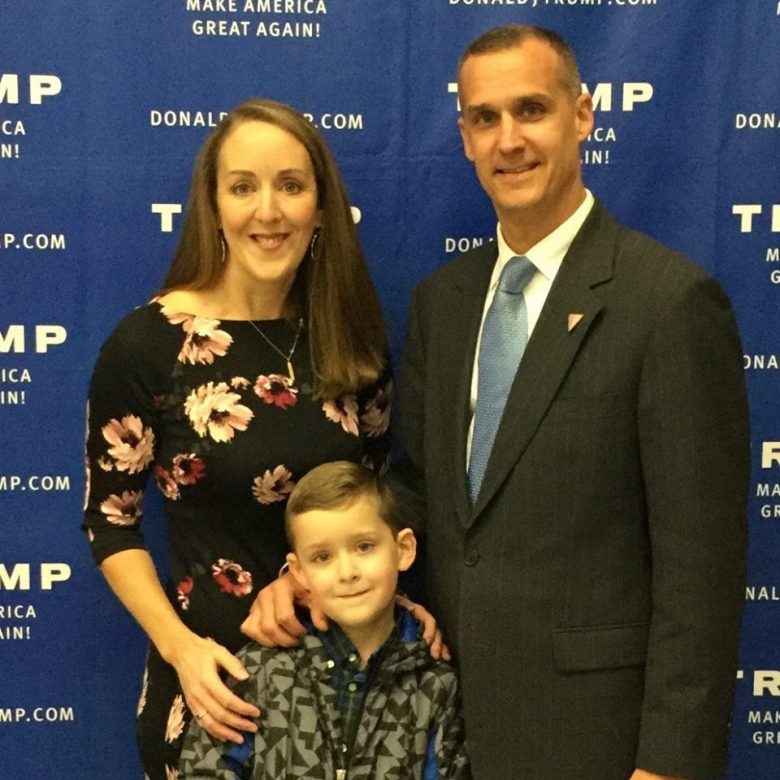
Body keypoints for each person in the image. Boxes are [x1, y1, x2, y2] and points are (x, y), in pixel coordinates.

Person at [391, 24, 751, 780]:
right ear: (463, 137)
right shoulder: (443, 304)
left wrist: (671, 766)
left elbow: (701, 573)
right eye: (485, 118)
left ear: (582, 116)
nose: (508, 140)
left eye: (532, 110)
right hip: (448, 734)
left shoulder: (668, 303)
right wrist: (315, 563)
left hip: (600, 742)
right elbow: (420, 488)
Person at [81, 98, 397, 780]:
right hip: (215, 690)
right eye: (243, 186)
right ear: (214, 205)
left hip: (350, 695)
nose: (268, 211)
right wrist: (180, 650)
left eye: (290, 185)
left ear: (320, 208)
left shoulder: (351, 337)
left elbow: (377, 499)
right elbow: (110, 524)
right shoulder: (148, 345)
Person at [178, 461, 471, 779]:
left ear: (403, 549)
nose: (347, 573)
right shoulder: (260, 672)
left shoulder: (434, 685)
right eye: (323, 557)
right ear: (298, 571)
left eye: (364, 547)